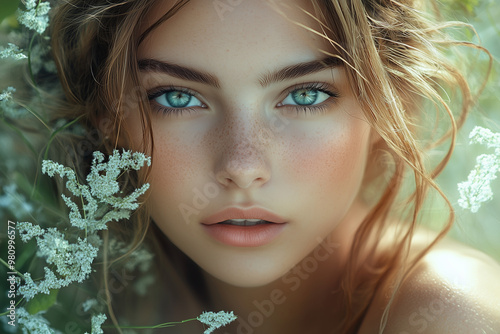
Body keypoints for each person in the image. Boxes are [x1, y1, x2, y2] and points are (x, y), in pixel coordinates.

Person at [44, 0, 500, 333]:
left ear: (390, 104)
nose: (242, 167)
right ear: (107, 118)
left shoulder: (447, 317)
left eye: (306, 95)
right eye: (177, 97)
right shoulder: (88, 303)